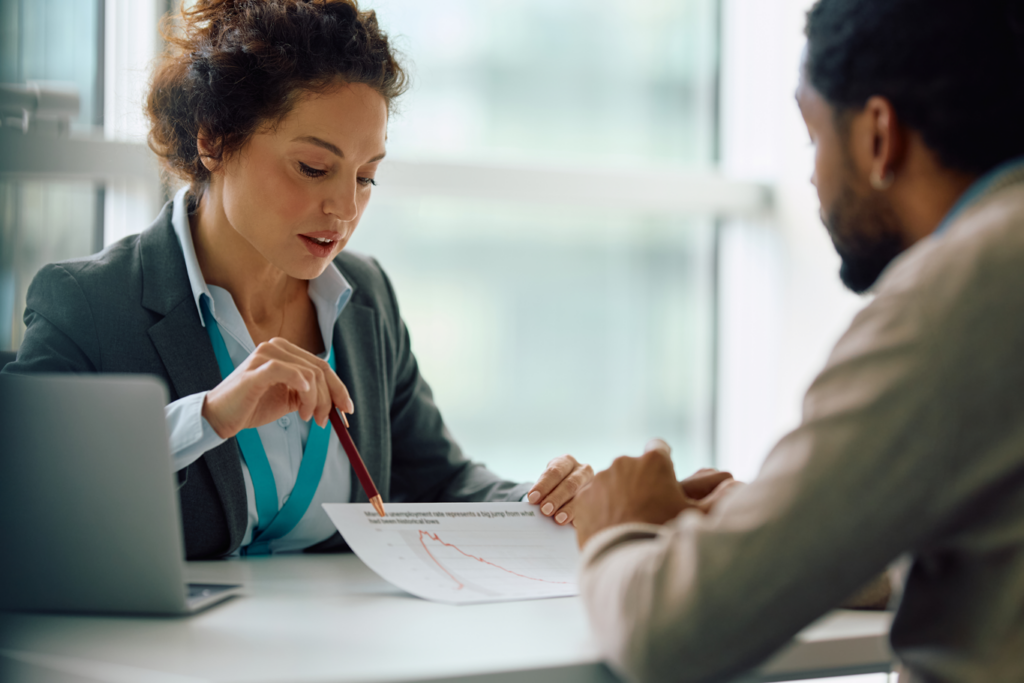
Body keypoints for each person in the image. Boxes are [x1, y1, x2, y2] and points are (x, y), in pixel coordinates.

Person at [3, 0, 593, 559]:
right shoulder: (88, 303)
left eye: (366, 178)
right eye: (313, 168)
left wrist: (542, 502)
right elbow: (24, 482)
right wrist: (207, 418)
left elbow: (439, 479)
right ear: (213, 139)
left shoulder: (365, 298)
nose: (344, 208)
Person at [571, 0, 1024, 681]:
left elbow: (666, 635)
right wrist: (785, 526)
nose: (811, 176)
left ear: (879, 135)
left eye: (812, 133)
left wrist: (617, 529)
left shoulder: (955, 293)